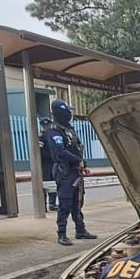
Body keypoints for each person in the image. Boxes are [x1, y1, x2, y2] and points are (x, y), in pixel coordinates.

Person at [47, 99, 96, 245]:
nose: (70, 113)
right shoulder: (54, 130)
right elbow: (59, 152)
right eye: (67, 110)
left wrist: (82, 164)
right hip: (64, 172)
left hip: (75, 171)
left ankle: (80, 230)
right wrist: (77, 160)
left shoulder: (69, 129)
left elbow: (76, 149)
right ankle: (61, 234)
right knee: (65, 203)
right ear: (61, 112)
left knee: (77, 202)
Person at [38, 117, 58, 211]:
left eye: (48, 125)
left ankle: (52, 203)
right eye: (45, 125)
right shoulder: (41, 136)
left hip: (53, 162)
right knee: (44, 184)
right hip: (45, 163)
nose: (47, 127)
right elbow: (40, 150)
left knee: (53, 183)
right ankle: (43, 205)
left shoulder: (52, 135)